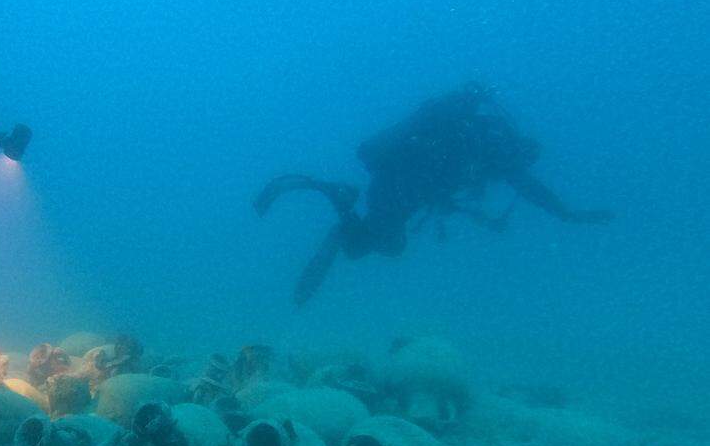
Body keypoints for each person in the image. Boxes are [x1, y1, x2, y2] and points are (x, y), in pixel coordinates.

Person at [256, 83, 614, 305]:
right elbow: (530, 188)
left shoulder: (478, 143)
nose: (515, 172)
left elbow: (457, 187)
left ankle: (338, 203)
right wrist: (566, 213)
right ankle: (334, 197)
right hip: (403, 184)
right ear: (519, 150)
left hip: (401, 181)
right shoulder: (488, 148)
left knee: (380, 245)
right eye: (520, 161)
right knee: (372, 246)